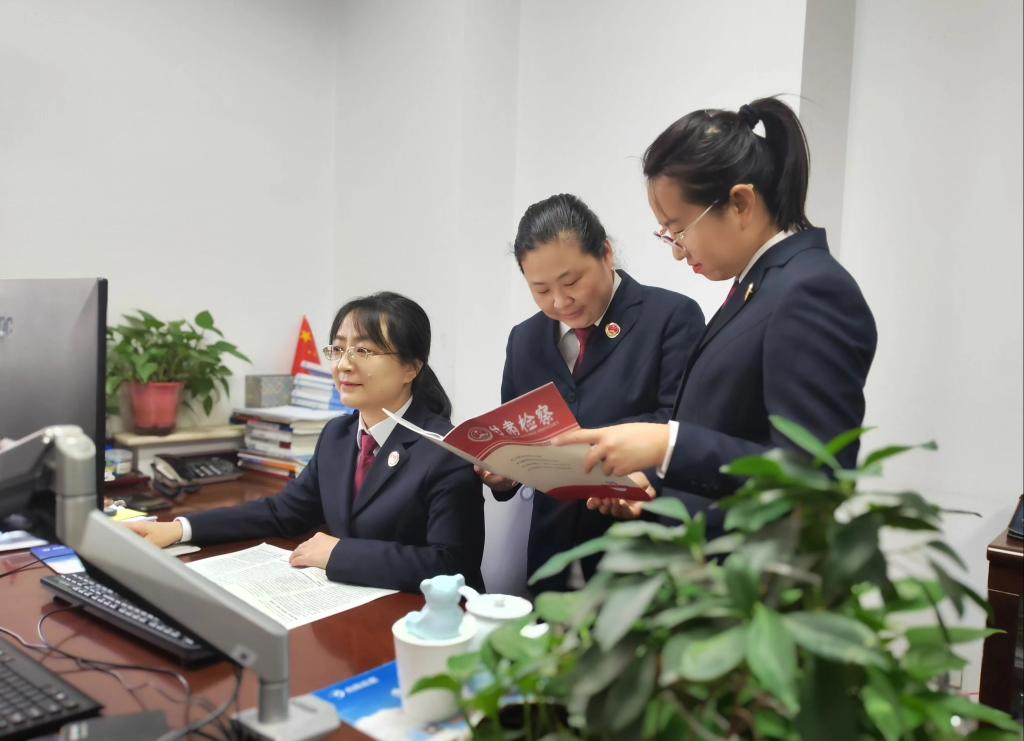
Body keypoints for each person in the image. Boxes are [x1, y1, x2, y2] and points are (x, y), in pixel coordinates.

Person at [555, 98, 877, 535]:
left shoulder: (811, 290)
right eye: (667, 233)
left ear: (740, 203)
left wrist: (666, 445)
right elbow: (732, 433)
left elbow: (814, 478)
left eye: (679, 228)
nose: (677, 250)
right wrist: (653, 482)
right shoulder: (758, 285)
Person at [127, 292, 485, 593]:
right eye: (338, 350)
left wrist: (339, 554)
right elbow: (282, 513)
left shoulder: (445, 450)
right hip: (350, 601)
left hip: (423, 619)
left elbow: (452, 564)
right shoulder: (337, 435)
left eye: (364, 351)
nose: (344, 365)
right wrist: (180, 528)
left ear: (411, 368)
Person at [483, 193, 704, 592]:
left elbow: (681, 426)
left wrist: (639, 477)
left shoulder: (670, 317)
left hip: (638, 556)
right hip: (551, 557)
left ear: (605, 253)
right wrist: (503, 475)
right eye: (540, 289)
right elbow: (517, 433)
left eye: (571, 282)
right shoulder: (525, 340)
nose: (559, 301)